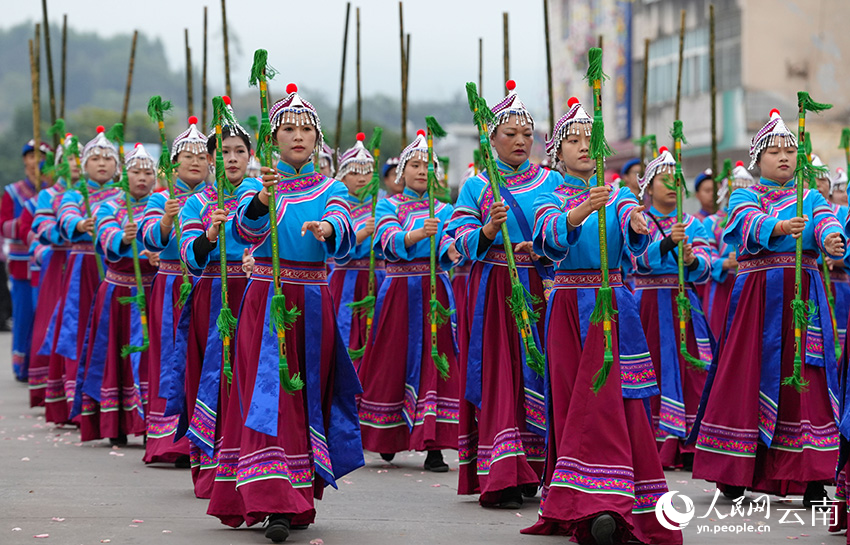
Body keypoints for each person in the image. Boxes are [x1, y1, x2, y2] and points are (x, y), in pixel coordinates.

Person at [522, 97, 680, 545]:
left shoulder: (620, 192)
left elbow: (635, 227)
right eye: (572, 140)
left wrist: (634, 221)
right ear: (557, 151)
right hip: (570, 307)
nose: (583, 147)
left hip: (615, 306)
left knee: (619, 403)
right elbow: (547, 240)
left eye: (589, 140)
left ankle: (621, 500)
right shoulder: (548, 194)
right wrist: (581, 211)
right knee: (577, 402)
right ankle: (581, 504)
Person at [222, 83, 362, 543]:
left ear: (317, 139)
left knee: (303, 400)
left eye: (306, 128)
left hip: (311, 305)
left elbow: (345, 223)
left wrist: (326, 226)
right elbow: (244, 229)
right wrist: (263, 197)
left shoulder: (330, 186)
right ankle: (271, 498)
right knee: (268, 398)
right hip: (264, 301)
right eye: (287, 128)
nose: (297, 135)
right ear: (273, 138)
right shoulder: (255, 186)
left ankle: (296, 498)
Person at [691, 108, 845, 506]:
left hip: (803, 299)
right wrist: (778, 227)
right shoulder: (748, 194)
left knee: (805, 378)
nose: (783, 158)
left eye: (790, 152)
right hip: (757, 298)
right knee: (746, 374)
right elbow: (742, 221)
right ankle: (735, 470)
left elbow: (826, 219)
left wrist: (830, 239)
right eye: (774, 151)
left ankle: (810, 474)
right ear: (758, 160)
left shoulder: (810, 196)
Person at [448, 81, 559, 509]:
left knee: (541, 373)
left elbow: (567, 227)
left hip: (542, 290)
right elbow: (457, 239)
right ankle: (503, 473)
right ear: (491, 139)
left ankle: (532, 466)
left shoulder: (552, 181)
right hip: (495, 290)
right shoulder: (476, 187)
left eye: (527, 134)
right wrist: (489, 231)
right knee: (500, 375)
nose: (520, 141)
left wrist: (545, 247)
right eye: (510, 134)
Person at [357, 129, 462, 474]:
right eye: (414, 165)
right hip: (400, 290)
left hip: (436, 292)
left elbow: (452, 243)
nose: (421, 171)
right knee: (391, 360)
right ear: (401, 173)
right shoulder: (389, 205)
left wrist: (452, 246)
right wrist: (420, 234)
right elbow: (387, 238)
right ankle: (387, 434)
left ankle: (434, 445)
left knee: (438, 363)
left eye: (427, 165)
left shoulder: (445, 209)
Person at [172, 107, 253, 497]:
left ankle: (254, 463)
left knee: (252, 376)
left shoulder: (262, 196)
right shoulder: (196, 203)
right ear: (209, 159)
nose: (232, 159)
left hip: (255, 293)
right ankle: (213, 468)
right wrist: (208, 235)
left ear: (251, 157)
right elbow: (189, 253)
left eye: (239, 151)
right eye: (223, 152)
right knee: (215, 376)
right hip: (213, 295)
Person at [632, 147, 713, 470]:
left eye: (675, 180)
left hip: (684, 304)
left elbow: (706, 268)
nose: (670, 185)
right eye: (662, 180)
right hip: (648, 306)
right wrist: (666, 244)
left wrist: (692, 259)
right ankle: (652, 441)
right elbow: (634, 260)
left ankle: (690, 442)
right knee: (650, 369)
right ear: (648, 187)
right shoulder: (639, 220)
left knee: (690, 370)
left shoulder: (693, 224)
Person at [76, 143, 158, 444]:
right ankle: (116, 425)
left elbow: (168, 238)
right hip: (118, 293)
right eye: (136, 171)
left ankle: (152, 423)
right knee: (113, 356)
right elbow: (105, 234)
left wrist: (158, 253)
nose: (142, 178)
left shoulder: (160, 205)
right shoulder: (110, 206)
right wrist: (124, 237)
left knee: (150, 358)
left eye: (148, 173)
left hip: (151, 293)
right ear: (125, 174)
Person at [140, 116, 210, 462]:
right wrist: (167, 219)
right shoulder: (160, 198)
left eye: (202, 155)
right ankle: (167, 440)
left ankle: (202, 437)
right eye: (188, 156)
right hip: (171, 285)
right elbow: (149, 237)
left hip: (209, 284)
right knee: (171, 359)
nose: (195, 161)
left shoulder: (218, 197)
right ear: (173, 163)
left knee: (205, 359)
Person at [59, 127, 122, 428]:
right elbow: (65, 214)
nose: (101, 163)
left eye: (107, 159)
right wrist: (80, 223)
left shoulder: (122, 196)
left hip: (114, 268)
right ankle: (78, 400)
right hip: (82, 267)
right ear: (83, 165)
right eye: (94, 158)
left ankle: (110, 400)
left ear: (116, 166)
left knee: (109, 334)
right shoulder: (75, 193)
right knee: (79, 329)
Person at [328, 132, 385, 364]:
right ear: (341, 177)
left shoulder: (383, 204)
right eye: (354, 172)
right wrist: (361, 234)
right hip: (346, 278)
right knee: (346, 335)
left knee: (378, 336)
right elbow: (334, 248)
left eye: (367, 172)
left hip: (378, 278)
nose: (362, 178)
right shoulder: (336, 205)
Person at [2, 140, 52, 380]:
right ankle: (21, 365)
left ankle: (40, 364)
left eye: (40, 157)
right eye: (31, 157)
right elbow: (3, 226)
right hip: (22, 261)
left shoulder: (53, 191)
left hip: (48, 260)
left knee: (45, 312)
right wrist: (27, 222)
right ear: (24, 161)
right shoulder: (13, 192)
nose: (36, 162)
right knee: (24, 314)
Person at [41, 136, 82, 424]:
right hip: (62, 261)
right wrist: (71, 234)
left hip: (97, 261)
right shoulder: (51, 196)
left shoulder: (95, 194)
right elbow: (42, 225)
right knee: (65, 325)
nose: (75, 165)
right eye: (69, 159)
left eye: (79, 158)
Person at [701, 161, 754, 338]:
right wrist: (725, 262)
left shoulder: (757, 221)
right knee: (720, 335)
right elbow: (706, 254)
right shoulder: (712, 222)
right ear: (726, 192)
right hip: (722, 286)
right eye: (735, 189)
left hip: (750, 282)